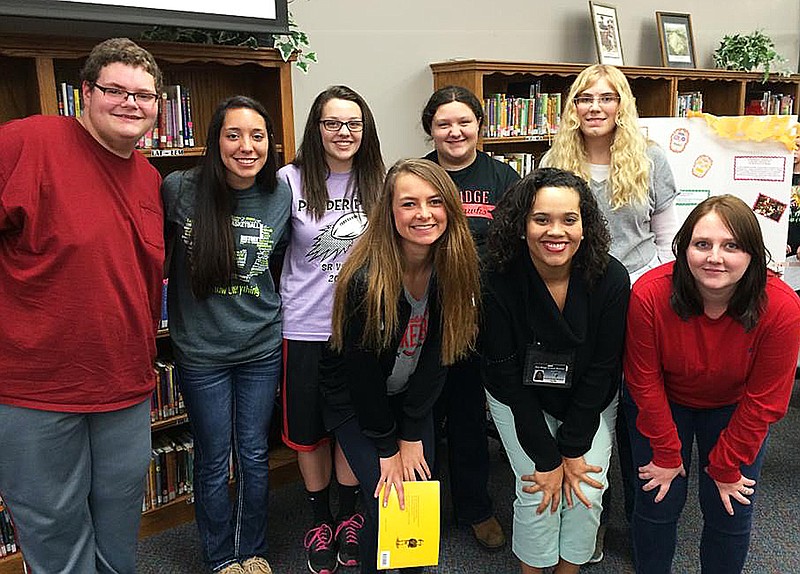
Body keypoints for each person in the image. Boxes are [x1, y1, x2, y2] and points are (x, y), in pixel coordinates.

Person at [0, 38, 163, 573]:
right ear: (85, 95)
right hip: (37, 392)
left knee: (118, 528)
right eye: (115, 90)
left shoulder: (148, 178)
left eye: (144, 94)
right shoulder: (29, 144)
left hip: (125, 388)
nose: (130, 104)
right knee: (54, 533)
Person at [542, 63, 679, 561]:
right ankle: (588, 518)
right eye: (584, 99)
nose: (594, 108)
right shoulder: (553, 160)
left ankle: (638, 520)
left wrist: (642, 296)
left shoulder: (651, 159)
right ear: (573, 108)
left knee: (636, 412)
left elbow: (667, 244)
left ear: (622, 104)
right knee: (589, 406)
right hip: (574, 301)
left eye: (605, 98)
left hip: (640, 298)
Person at [319, 158, 481, 574]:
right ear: (389, 213)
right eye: (409, 204)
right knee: (386, 496)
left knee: (420, 499)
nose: (424, 214)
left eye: (434, 202)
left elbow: (438, 358)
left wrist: (411, 434)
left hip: (410, 398)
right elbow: (362, 377)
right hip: (358, 404)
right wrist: (387, 447)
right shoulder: (366, 279)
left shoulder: (454, 267)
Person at [623, 194, 800, 574]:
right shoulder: (650, 293)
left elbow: (765, 401)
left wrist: (725, 466)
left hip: (736, 406)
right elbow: (643, 380)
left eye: (731, 245)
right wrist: (668, 454)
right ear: (683, 248)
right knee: (657, 502)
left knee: (730, 507)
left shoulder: (782, 306)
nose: (714, 257)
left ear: (753, 252)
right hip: (663, 400)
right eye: (702, 244)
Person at [161, 96, 290, 574]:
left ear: (269, 144)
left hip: (260, 345)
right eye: (233, 135)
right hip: (202, 353)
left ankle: (251, 550)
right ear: (216, 142)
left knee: (255, 454)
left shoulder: (281, 195)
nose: (246, 146)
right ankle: (220, 557)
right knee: (214, 459)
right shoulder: (180, 189)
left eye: (257, 136)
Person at [481, 167, 629, 574]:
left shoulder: (612, 278)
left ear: (585, 226)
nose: (556, 231)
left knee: (585, 490)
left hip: (587, 398)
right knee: (537, 491)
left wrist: (572, 446)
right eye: (541, 219)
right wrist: (547, 458)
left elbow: (603, 369)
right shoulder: (495, 277)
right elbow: (506, 373)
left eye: (569, 219)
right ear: (521, 224)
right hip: (518, 397)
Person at [278, 85, 385, 574]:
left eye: (353, 124)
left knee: (351, 428)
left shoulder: (381, 183)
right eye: (332, 123)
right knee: (308, 432)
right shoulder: (290, 180)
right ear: (316, 129)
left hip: (361, 332)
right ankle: (318, 518)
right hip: (304, 327)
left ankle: (349, 516)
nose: (343, 133)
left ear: (365, 130)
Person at [420, 85, 519, 550]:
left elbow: (518, 248)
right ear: (431, 130)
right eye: (444, 123)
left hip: (482, 319)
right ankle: (421, 518)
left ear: (480, 126)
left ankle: (476, 507)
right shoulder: (417, 176)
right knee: (419, 419)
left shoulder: (504, 178)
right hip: (423, 316)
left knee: (466, 416)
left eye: (464, 122)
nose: (455, 131)